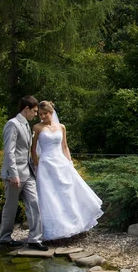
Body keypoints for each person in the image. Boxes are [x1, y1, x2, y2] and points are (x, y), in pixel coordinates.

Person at [31, 101, 103, 241]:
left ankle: (74, 226)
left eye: (45, 113)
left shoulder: (61, 127)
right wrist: (36, 165)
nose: (43, 116)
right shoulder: (37, 127)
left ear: (51, 112)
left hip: (61, 162)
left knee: (67, 192)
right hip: (46, 165)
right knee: (49, 196)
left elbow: (64, 146)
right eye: (40, 114)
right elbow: (33, 149)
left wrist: (69, 162)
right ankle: (53, 230)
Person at [0, 95, 46, 251]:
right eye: (34, 111)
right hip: (14, 174)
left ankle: (35, 239)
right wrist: (13, 174)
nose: (35, 114)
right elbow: (9, 151)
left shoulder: (26, 124)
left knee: (34, 203)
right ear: (26, 109)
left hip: (27, 172)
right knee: (11, 207)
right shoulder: (12, 124)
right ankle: (5, 239)